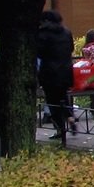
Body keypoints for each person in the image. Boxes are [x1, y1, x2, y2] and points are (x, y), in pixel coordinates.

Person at [36, 10, 76, 138]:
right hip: (66, 71)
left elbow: (39, 52)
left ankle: (60, 129)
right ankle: (70, 117)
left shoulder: (43, 34)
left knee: (52, 102)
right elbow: (71, 48)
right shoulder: (66, 32)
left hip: (50, 73)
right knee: (63, 96)